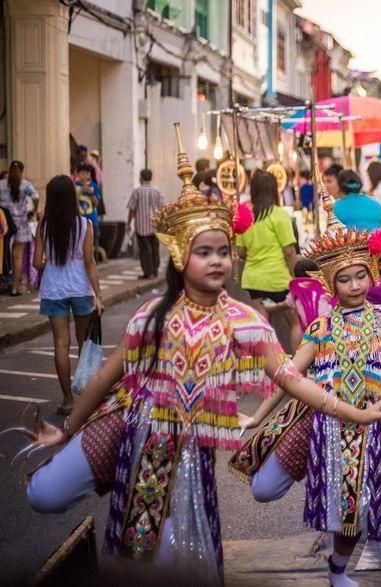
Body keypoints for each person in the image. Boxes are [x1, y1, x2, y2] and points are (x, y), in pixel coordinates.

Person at [23, 144, 284, 582]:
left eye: (224, 250)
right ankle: (108, 478)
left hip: (182, 449)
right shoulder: (151, 312)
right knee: (43, 495)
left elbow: (288, 376)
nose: (218, 260)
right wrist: (67, 431)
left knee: (166, 559)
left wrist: (341, 406)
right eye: (205, 251)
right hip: (125, 420)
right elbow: (109, 374)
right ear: (182, 258)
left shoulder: (245, 320)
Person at [230, 194, 381, 587]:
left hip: (363, 430)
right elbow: (286, 375)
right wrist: (257, 416)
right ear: (330, 283)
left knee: (352, 511)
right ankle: (310, 471)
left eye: (360, 276)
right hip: (315, 423)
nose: (353, 285)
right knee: (263, 490)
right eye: (344, 279)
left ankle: (337, 571)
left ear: (372, 275)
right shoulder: (321, 328)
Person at [33, 176, 103, 414]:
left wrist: (49, 261)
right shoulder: (85, 224)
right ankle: (86, 397)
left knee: (61, 345)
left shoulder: (44, 225)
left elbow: (35, 262)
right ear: (72, 197)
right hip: (81, 289)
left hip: (53, 289)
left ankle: (67, 401)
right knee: (84, 343)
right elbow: (90, 262)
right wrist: (99, 295)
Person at [236, 170, 299, 320]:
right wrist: (296, 277)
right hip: (279, 278)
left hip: (254, 279)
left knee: (263, 324)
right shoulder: (279, 214)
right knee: (295, 322)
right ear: (274, 190)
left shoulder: (246, 216)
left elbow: (240, 251)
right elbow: (289, 252)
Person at [0, 160, 39, 296]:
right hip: (21, 224)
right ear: (21, 171)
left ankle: (2, 283)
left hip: (4, 224)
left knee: (3, 255)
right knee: (17, 257)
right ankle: (15, 288)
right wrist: (33, 210)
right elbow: (36, 196)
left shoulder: (2, 185)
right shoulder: (25, 185)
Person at [126, 168, 165, 279]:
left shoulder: (137, 191)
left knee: (145, 250)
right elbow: (162, 207)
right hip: (155, 225)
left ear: (141, 177)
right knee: (154, 248)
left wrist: (128, 223)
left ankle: (147, 272)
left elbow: (132, 209)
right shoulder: (157, 190)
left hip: (141, 226)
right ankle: (155, 270)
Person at [74, 163, 101, 239]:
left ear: (89, 175)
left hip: (92, 218)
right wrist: (80, 192)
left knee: (94, 238)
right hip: (78, 218)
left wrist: (91, 194)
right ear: (78, 174)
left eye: (87, 173)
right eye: (82, 173)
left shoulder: (94, 186)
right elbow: (72, 201)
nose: (85, 175)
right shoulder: (75, 185)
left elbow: (96, 204)